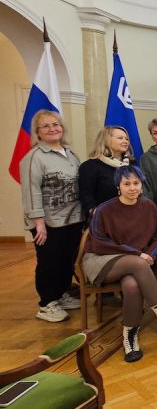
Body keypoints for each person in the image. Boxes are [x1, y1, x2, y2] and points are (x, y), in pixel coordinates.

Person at [83, 166, 157, 362]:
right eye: (127, 184)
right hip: (101, 260)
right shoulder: (105, 209)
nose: (132, 188)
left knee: (132, 285)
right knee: (138, 264)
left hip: (135, 263)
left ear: (142, 185)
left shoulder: (149, 207)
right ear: (118, 186)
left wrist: (150, 253)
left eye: (136, 183)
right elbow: (99, 242)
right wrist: (137, 254)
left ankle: (130, 336)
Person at [20, 110, 84, 322]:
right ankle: (47, 303)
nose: (52, 129)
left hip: (73, 218)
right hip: (48, 222)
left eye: (56, 124)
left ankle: (61, 293)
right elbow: (31, 191)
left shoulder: (70, 153)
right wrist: (39, 223)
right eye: (46, 126)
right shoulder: (34, 157)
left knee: (67, 259)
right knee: (49, 261)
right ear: (37, 132)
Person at [79, 126, 135, 219]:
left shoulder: (131, 165)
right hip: (103, 218)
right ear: (106, 140)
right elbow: (86, 196)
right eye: (120, 138)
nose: (125, 141)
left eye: (126, 139)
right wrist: (95, 213)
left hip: (130, 216)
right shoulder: (90, 166)